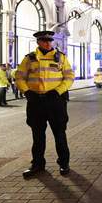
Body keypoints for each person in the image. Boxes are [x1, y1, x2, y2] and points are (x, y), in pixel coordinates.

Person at [16, 31, 75, 178]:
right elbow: (19, 77)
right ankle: (37, 164)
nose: (48, 43)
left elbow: (69, 77)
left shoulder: (61, 57)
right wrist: (27, 92)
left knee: (60, 134)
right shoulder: (29, 58)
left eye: (50, 40)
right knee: (37, 136)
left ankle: (64, 163)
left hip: (55, 101)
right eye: (44, 41)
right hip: (36, 102)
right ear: (38, 42)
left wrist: (58, 91)